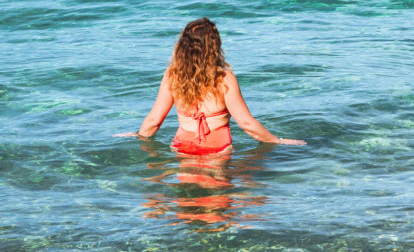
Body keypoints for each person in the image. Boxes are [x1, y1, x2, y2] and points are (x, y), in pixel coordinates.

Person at [118, 17, 306, 154]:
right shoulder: (224, 79)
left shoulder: (172, 76)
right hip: (219, 148)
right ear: (214, 47)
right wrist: (278, 141)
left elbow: (154, 121)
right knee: (217, 203)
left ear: (182, 47)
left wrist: (139, 136)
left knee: (186, 203)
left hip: (182, 147)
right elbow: (247, 124)